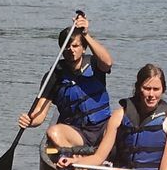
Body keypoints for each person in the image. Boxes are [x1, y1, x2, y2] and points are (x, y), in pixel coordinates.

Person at [17, 10, 112, 152]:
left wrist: (85, 34)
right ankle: (74, 159)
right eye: (67, 47)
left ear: (84, 48)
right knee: (53, 132)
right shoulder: (54, 76)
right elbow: (40, 114)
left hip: (103, 127)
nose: (71, 50)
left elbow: (108, 62)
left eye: (75, 46)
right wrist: (29, 121)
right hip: (76, 133)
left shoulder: (95, 64)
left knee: (121, 121)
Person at [75, 63, 167, 170]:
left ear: (163, 90)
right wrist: (75, 163)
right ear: (138, 88)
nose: (151, 95)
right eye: (147, 88)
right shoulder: (119, 115)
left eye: (156, 89)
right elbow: (99, 157)